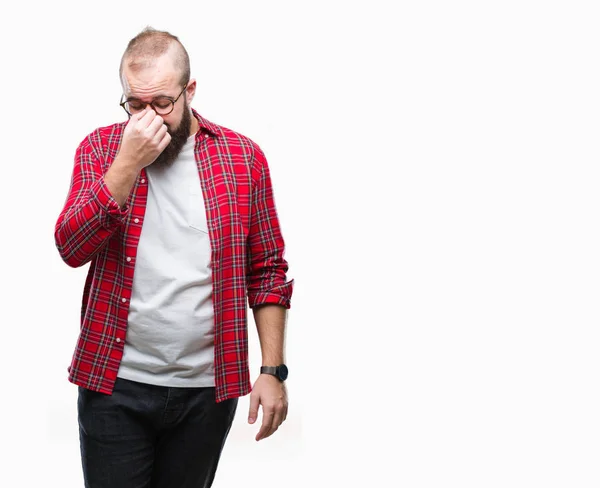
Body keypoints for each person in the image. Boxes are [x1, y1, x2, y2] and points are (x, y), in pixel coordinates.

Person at [54, 26, 294, 488]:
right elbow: (70, 247)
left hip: (207, 392)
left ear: (190, 91)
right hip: (114, 387)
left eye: (162, 103)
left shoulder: (244, 158)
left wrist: (272, 370)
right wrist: (127, 164)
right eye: (135, 105)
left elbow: (266, 270)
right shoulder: (101, 149)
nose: (149, 119)